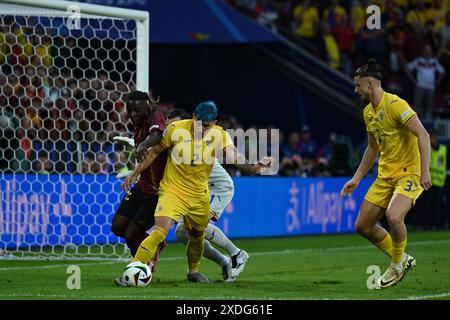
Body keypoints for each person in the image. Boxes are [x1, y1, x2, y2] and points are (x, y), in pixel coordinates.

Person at [117, 101, 270, 284]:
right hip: (173, 191)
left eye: (208, 126)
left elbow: (235, 157)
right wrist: (135, 173)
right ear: (194, 118)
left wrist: (253, 169)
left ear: (213, 123)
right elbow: (154, 152)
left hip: (199, 195)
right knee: (160, 231)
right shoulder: (175, 129)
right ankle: (132, 271)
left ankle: (193, 272)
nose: (204, 129)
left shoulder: (219, 135)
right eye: (201, 124)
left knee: (197, 236)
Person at [341, 58, 431, 289]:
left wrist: (424, 171)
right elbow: (373, 148)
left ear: (370, 84)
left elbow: (423, 134)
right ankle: (403, 259)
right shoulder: (368, 113)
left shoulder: (396, 104)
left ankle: (396, 265)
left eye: (358, 85)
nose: (355, 89)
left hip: (409, 173)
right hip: (385, 176)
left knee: (393, 217)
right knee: (363, 226)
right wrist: (356, 178)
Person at [167, 108, 249, 282]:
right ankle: (225, 262)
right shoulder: (176, 139)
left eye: (173, 124)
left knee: (197, 226)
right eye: (168, 124)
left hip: (219, 188)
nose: (170, 127)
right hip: (197, 189)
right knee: (182, 233)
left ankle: (237, 254)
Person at [110, 90, 167, 270]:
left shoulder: (153, 117)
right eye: (130, 110)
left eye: (137, 111)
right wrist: (134, 173)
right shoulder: (138, 123)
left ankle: (142, 266)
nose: (133, 114)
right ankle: (153, 246)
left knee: (130, 234)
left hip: (157, 192)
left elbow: (157, 135)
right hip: (142, 186)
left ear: (146, 107)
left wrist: (143, 145)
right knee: (118, 227)